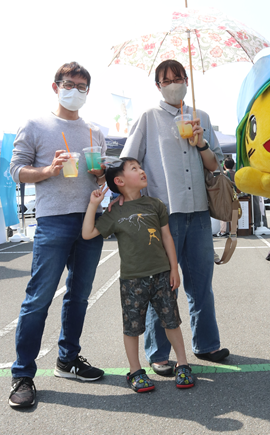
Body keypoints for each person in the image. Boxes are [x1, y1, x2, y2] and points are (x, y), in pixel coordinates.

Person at [119, 59, 229, 376]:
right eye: (167, 79)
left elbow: (215, 166)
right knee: (162, 286)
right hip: (162, 216)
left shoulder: (201, 117)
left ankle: (207, 343)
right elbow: (129, 161)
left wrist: (201, 142)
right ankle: (158, 352)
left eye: (179, 77)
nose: (174, 83)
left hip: (198, 213)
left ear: (186, 80)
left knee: (201, 283)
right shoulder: (147, 117)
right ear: (158, 85)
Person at [8, 62, 106, 408]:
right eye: (70, 84)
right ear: (56, 86)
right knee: (38, 298)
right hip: (52, 221)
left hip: (89, 221)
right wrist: (49, 170)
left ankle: (68, 360)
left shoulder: (95, 131)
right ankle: (22, 374)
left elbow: (98, 176)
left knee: (79, 296)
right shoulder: (35, 125)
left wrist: (100, 176)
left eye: (83, 87)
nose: (76, 91)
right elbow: (17, 170)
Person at [82, 157, 195, 391]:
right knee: (132, 327)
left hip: (163, 275)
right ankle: (135, 371)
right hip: (132, 280)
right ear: (119, 180)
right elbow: (88, 233)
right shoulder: (115, 212)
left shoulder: (155, 204)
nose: (142, 171)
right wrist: (94, 204)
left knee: (172, 321)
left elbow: (167, 238)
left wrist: (174, 268)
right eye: (135, 168)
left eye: (141, 167)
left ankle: (182, 364)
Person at [216, 157, 238, 237]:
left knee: (224, 214)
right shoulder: (236, 173)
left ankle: (223, 231)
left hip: (225, 196)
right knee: (234, 214)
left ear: (224, 165)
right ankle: (233, 231)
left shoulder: (223, 173)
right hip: (234, 196)